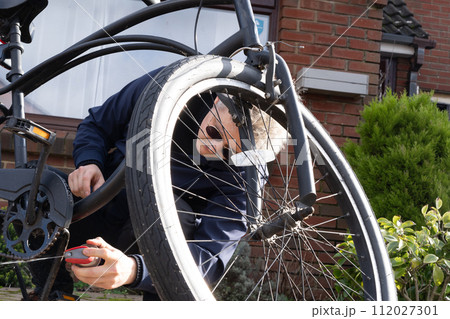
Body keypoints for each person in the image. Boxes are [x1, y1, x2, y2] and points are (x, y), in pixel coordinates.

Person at [28, 66, 287, 300]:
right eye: (214, 132)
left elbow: (209, 259)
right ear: (218, 99)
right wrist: (88, 162)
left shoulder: (247, 175)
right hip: (100, 202)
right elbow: (97, 124)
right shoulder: (166, 85)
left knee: (178, 217)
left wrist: (135, 270)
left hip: (152, 244)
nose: (213, 148)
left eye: (231, 152)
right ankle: (53, 294)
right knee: (36, 181)